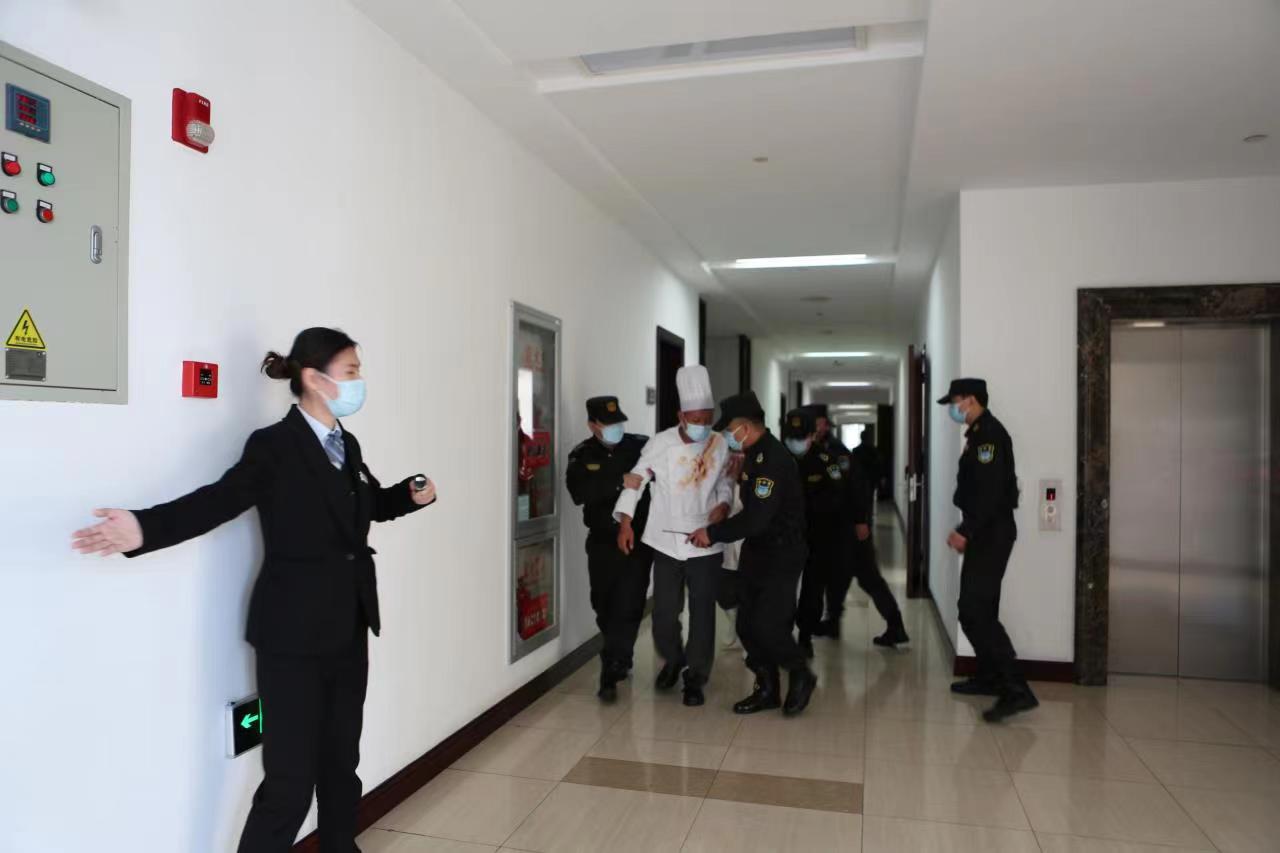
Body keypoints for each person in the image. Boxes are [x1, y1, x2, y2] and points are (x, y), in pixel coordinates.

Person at [71, 328, 436, 853]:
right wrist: (145, 528)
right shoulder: (275, 446)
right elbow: (217, 501)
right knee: (290, 781)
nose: (359, 381)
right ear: (315, 379)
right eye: (352, 371)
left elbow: (367, 505)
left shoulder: (346, 444)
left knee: (341, 764)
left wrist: (409, 495)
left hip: (349, 624)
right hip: (292, 634)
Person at [689, 391, 817, 717]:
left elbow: (756, 518)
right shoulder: (754, 454)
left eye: (729, 429)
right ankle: (767, 688)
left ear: (744, 427)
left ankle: (800, 673)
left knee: (768, 624)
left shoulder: (771, 459)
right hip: (758, 550)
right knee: (747, 624)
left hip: (781, 553)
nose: (727, 436)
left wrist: (712, 533)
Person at [614, 365, 734, 707]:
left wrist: (723, 505)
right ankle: (673, 659)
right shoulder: (661, 443)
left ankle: (696, 677)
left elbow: (725, 483)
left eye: (708, 419)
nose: (703, 425)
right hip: (666, 540)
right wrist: (625, 523)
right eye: (696, 419)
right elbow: (635, 481)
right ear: (681, 416)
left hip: (705, 540)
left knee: (702, 614)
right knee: (664, 614)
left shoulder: (719, 444)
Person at [940, 377, 1038, 722]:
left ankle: (1016, 689)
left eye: (955, 402)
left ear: (970, 400)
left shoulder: (989, 436)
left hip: (989, 533)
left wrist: (965, 530)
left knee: (974, 610)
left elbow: (990, 492)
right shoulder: (980, 434)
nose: (953, 409)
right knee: (980, 609)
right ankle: (989, 677)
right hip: (985, 531)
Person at [565, 396, 653, 703]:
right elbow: (579, 492)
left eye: (619, 422)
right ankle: (619, 655)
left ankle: (613, 665)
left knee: (630, 603)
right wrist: (619, 481)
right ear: (593, 425)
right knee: (602, 602)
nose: (616, 428)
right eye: (608, 424)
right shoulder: (582, 454)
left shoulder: (641, 446)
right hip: (602, 540)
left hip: (636, 539)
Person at [785, 407, 844, 658]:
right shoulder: (778, 457)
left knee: (812, 588)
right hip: (784, 535)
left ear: (812, 436)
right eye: (792, 437)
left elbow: (837, 496)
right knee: (782, 588)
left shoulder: (826, 460)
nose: (795, 442)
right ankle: (781, 635)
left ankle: (805, 635)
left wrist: (809, 508)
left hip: (817, 534)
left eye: (801, 437)